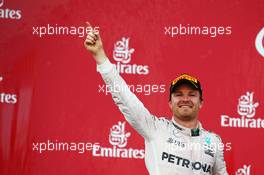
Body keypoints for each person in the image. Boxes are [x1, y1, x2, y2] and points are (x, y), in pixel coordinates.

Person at [84, 22, 228, 175]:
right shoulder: (154, 128)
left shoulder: (213, 142)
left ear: (201, 103)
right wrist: (100, 57)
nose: (185, 99)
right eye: (178, 95)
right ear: (170, 103)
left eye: (192, 95)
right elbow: (125, 98)